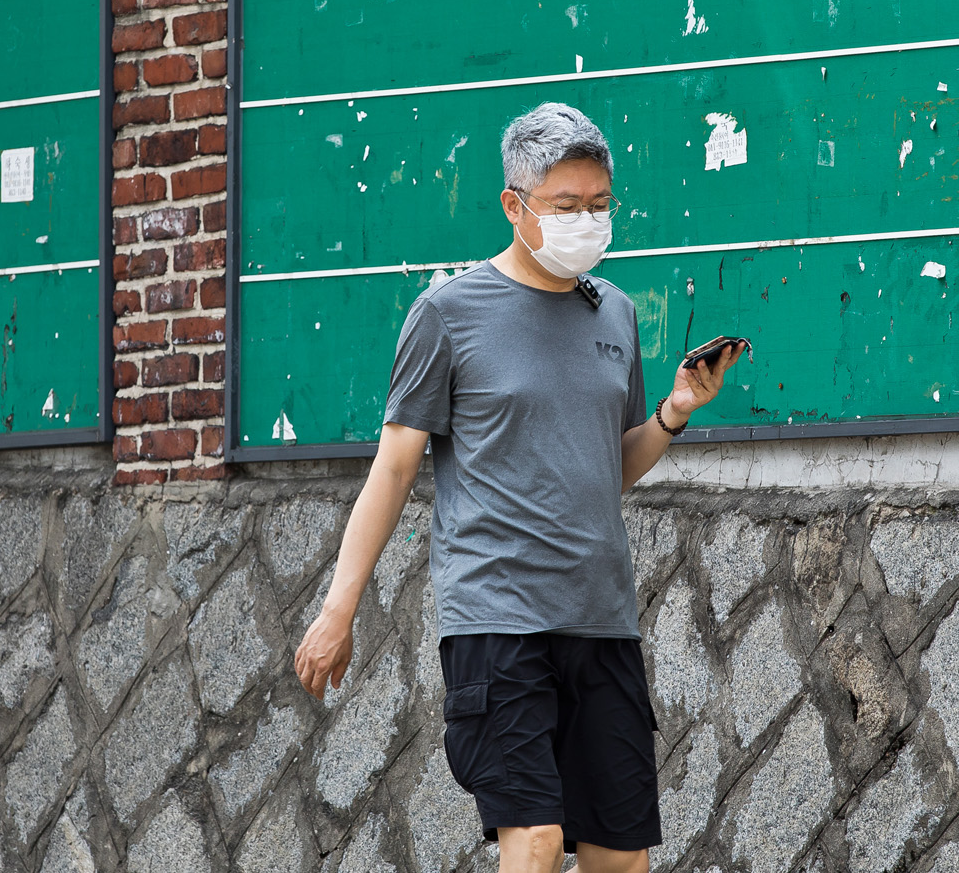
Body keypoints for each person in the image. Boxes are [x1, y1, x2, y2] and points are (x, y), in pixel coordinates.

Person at [294, 102, 744, 873]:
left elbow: (611, 464)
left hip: (602, 622)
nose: (587, 222)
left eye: (599, 205)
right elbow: (394, 467)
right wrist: (340, 608)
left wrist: (674, 410)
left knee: (620, 858)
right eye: (566, 207)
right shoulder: (447, 314)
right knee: (532, 843)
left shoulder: (618, 314)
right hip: (498, 623)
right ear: (514, 204)